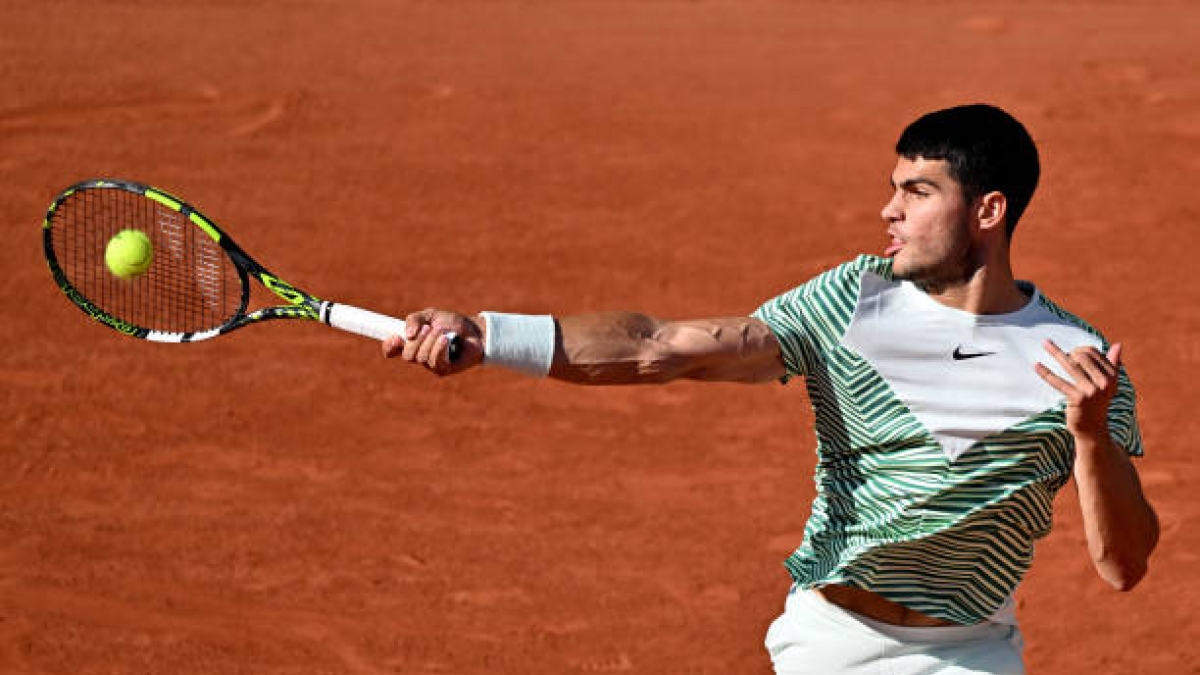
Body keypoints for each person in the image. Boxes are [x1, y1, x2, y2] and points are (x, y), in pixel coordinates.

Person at [382, 104, 1159, 675]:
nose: (889, 209)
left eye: (918, 192)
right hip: (831, 641)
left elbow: (1122, 565)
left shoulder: (1077, 359)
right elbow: (663, 346)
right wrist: (492, 335)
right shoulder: (855, 298)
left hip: (970, 654)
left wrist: (1090, 435)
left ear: (988, 210)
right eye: (893, 187)